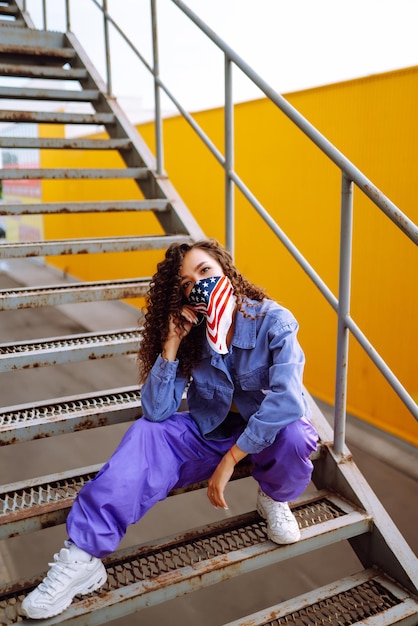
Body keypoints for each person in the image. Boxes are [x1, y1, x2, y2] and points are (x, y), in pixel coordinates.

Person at [22, 239, 318, 620]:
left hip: (262, 434)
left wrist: (231, 460)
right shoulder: (194, 333)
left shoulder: (272, 321)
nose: (198, 285)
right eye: (186, 283)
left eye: (205, 272)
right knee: (149, 433)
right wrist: (173, 341)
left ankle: (275, 497)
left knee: (294, 432)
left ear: (226, 271)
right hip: (211, 431)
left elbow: (289, 401)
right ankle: (83, 558)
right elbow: (157, 409)